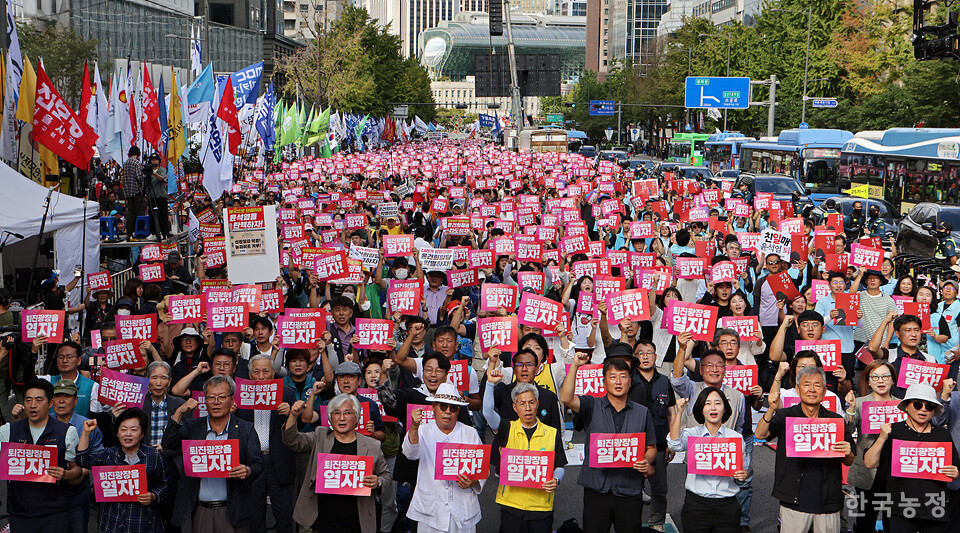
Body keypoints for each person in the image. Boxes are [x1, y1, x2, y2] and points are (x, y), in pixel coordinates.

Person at [560, 352, 657, 533]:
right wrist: (575, 366)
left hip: (629, 489)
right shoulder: (591, 405)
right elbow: (566, 398)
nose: (618, 382)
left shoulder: (642, 412)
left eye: (623, 377)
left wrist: (646, 460)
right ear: (604, 382)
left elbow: (651, 447)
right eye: (612, 377)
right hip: (597, 488)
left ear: (630, 381)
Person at [755, 366, 855, 533]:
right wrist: (771, 409)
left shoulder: (835, 420)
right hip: (794, 498)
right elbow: (760, 434)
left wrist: (848, 451)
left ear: (824, 391)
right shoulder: (784, 416)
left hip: (827, 500)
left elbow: (849, 459)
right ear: (797, 389)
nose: (811, 389)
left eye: (817, 385)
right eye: (806, 384)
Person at [161, 375, 264, 532]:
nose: (216, 402)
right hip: (201, 508)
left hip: (233, 508)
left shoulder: (245, 429)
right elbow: (168, 444)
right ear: (205, 400)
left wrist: (247, 470)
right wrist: (179, 412)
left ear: (232, 399)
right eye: (211, 397)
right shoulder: (193, 426)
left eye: (222, 397)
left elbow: (258, 464)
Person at [282, 393, 392, 533]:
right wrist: (293, 415)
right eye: (336, 413)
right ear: (330, 417)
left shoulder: (372, 445)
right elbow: (291, 440)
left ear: (357, 417)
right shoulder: (319, 436)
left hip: (357, 520)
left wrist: (378, 481)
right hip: (319, 521)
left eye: (347, 413)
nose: (341, 418)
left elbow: (386, 474)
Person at [865, 383, 960, 533]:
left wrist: (955, 472)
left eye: (929, 406)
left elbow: (955, 467)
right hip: (900, 507)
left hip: (933, 507)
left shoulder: (942, 434)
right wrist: (882, 438)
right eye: (917, 404)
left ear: (934, 411)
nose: (923, 409)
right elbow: (870, 463)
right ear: (907, 406)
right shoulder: (893, 431)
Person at [0, 379, 84, 530]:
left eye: (39, 400)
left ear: (50, 403)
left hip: (54, 513)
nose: (33, 405)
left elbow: (77, 470)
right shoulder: (8, 431)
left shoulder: (67, 431)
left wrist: (65, 474)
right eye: (28, 400)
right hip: (19, 512)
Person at [402, 382, 486, 533]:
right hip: (431, 510)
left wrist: (473, 482)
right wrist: (413, 427)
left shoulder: (470, 433)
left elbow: (482, 467)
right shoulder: (422, 430)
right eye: (443, 407)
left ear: (458, 411)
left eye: (453, 408)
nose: (448, 412)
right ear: (433, 407)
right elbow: (410, 453)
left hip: (462, 507)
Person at [76, 409, 173, 533]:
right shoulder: (109, 454)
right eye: (123, 429)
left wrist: (154, 495)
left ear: (142, 433)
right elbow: (82, 460)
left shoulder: (154, 455)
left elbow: (165, 484)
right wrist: (86, 433)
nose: (128, 434)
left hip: (143, 522)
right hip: (113, 522)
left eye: (133, 430)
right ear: (117, 433)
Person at [668, 387, 748, 533]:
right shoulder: (693, 434)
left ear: (725, 409)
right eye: (708, 403)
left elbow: (744, 469)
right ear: (701, 409)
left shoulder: (735, 438)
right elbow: (674, 444)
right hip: (697, 504)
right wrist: (679, 413)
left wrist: (743, 474)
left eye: (718, 403)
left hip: (727, 505)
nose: (713, 407)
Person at [232, 354, 298, 533]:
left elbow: (298, 430)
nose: (261, 376)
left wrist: (291, 413)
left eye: (266, 371)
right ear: (249, 374)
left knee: (285, 517)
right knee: (254, 517)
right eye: (256, 372)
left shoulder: (287, 394)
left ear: (274, 373)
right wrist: (231, 413)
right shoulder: (239, 395)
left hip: (279, 461)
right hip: (252, 462)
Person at [490, 382, 567, 533]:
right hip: (511, 504)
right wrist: (490, 384)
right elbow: (487, 413)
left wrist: (556, 479)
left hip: (541, 506)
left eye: (531, 402)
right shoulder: (507, 428)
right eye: (522, 403)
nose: (527, 408)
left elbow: (560, 466)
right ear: (515, 407)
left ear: (537, 404)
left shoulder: (552, 433)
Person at [845, 360, 902, 533]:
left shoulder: (902, 405)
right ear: (868, 381)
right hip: (867, 468)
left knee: (892, 518)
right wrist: (851, 409)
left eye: (885, 376)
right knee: (865, 517)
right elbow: (848, 430)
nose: (880, 380)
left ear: (893, 380)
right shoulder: (861, 403)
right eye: (875, 377)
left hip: (894, 467)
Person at [122, 146, 147, 240]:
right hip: (137, 192)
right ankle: (140, 233)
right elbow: (139, 177)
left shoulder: (125, 163)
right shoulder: (137, 163)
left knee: (130, 214)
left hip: (128, 193)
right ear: (137, 154)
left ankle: (129, 233)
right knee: (140, 212)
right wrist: (142, 186)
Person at [145, 153, 170, 239]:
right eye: (152, 160)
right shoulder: (148, 171)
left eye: (156, 160)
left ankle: (164, 233)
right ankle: (153, 233)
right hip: (152, 196)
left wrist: (154, 174)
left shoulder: (162, 170)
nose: (154, 161)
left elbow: (162, 179)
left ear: (159, 161)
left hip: (161, 196)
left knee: (162, 215)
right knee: (151, 215)